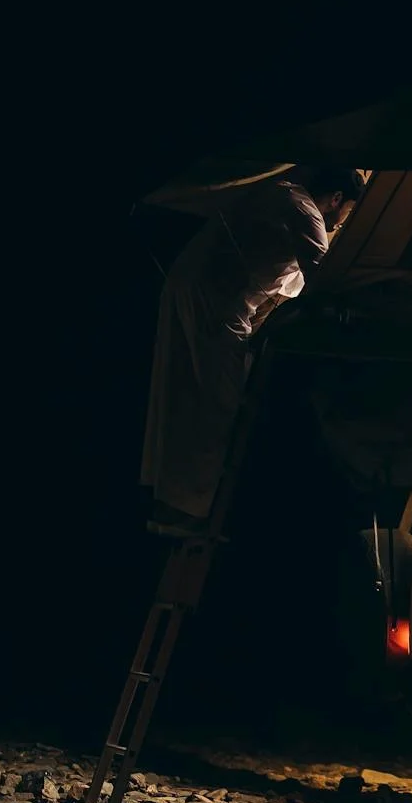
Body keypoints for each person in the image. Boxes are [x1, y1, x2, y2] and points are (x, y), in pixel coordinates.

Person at [140, 166, 367, 535]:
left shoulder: (281, 195)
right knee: (216, 405)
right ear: (337, 199)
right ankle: (187, 511)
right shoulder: (302, 207)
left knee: (182, 392)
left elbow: (285, 286)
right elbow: (325, 277)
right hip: (216, 302)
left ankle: (168, 500)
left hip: (198, 290)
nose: (344, 221)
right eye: (348, 212)